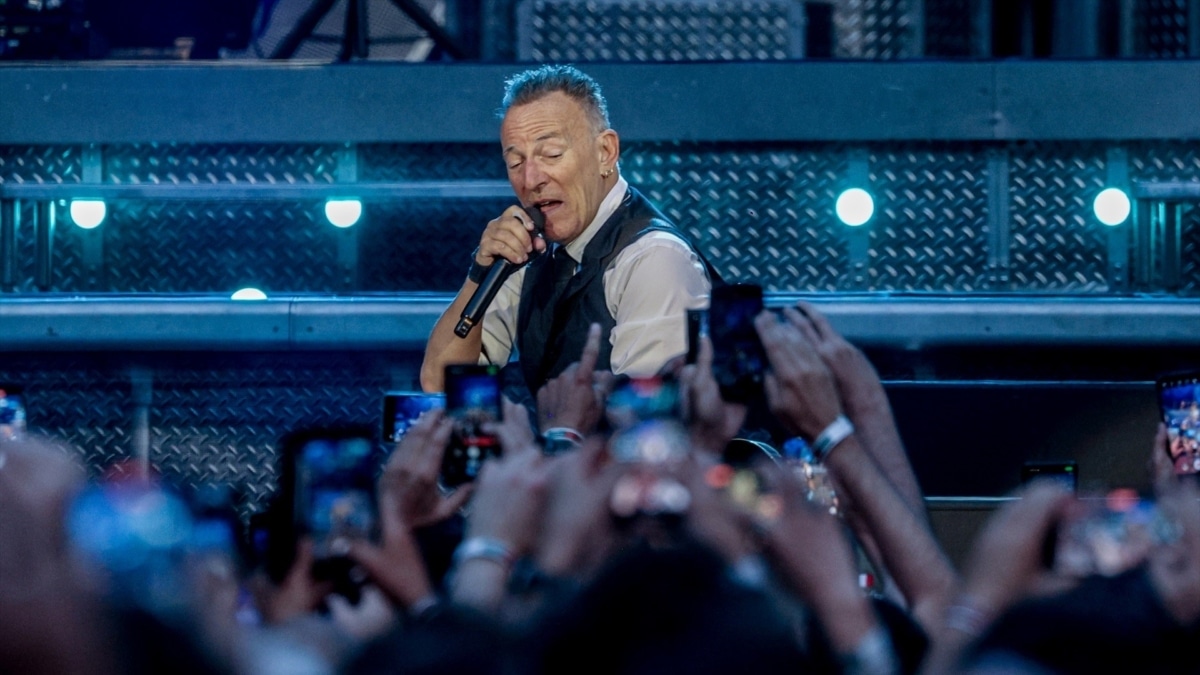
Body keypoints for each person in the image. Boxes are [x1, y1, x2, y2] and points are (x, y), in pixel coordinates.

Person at [420, 65, 717, 405]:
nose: (531, 179)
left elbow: (648, 430)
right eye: (516, 163)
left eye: (551, 154)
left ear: (606, 152)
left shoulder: (654, 260)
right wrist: (480, 274)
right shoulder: (531, 253)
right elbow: (440, 384)